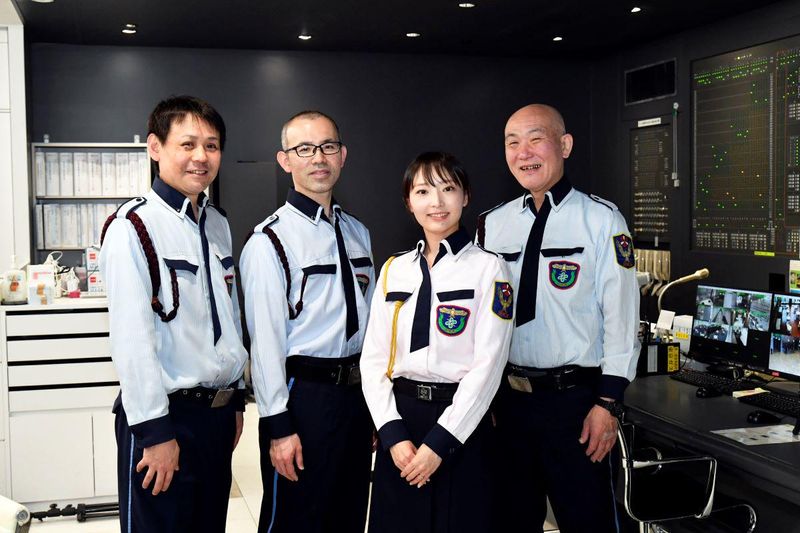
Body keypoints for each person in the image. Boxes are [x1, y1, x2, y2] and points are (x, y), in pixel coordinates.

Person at [476, 104, 640, 532]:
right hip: (508, 405)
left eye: (536, 139)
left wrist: (608, 403)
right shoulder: (492, 225)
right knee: (509, 522)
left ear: (564, 145)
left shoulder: (602, 220)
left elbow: (622, 319)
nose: (523, 152)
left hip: (576, 406)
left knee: (588, 522)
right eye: (512, 142)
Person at [100, 95, 249, 533]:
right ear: (155, 147)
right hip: (166, 418)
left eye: (212, 145)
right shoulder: (132, 226)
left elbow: (229, 320)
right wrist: (155, 432)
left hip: (216, 419)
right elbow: (132, 340)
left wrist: (235, 400)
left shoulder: (217, 223)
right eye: (187, 144)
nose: (201, 156)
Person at [361, 152, 513, 533]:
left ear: (466, 196)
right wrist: (391, 433)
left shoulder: (490, 269)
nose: (437, 202)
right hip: (402, 422)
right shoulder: (394, 269)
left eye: (448, 189)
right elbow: (373, 360)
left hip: (462, 423)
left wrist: (441, 442)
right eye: (423, 191)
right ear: (408, 202)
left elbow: (488, 367)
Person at [240, 110, 374, 533]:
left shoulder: (358, 233)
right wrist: (278, 427)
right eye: (304, 149)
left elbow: (371, 325)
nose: (318, 157)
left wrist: (374, 408)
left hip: (355, 397)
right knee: (296, 519)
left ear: (342, 155)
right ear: (285, 161)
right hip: (304, 397)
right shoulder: (269, 241)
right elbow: (265, 345)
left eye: (328, 146)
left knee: (348, 514)